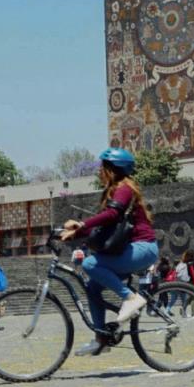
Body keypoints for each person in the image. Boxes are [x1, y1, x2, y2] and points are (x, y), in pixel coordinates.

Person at [60, 148, 159, 356]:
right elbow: (101, 225)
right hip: (130, 250)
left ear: (113, 169)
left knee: (90, 264)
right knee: (92, 287)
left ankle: (131, 299)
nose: (99, 171)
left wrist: (80, 224)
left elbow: (113, 214)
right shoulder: (114, 191)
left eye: (102, 167)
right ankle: (101, 340)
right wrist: (68, 232)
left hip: (143, 248)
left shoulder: (125, 188)